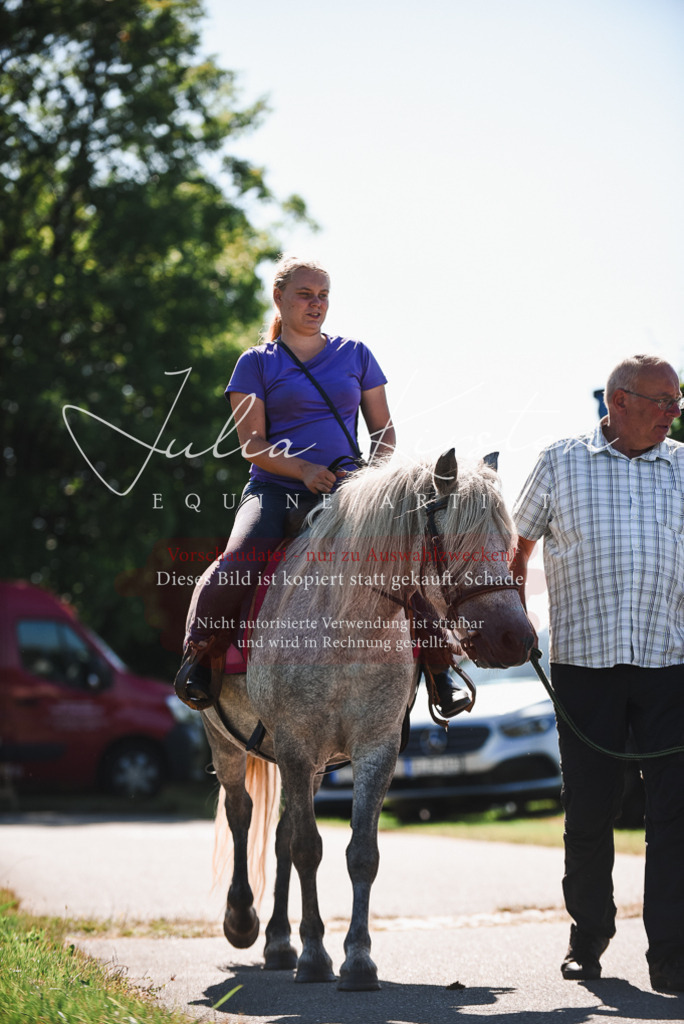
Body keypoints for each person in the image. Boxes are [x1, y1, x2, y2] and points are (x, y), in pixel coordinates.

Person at [174, 253, 470, 717]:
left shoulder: (356, 354)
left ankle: (440, 671)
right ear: (279, 298)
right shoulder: (255, 363)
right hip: (273, 489)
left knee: (400, 563)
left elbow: (384, 433)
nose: (317, 305)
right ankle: (201, 658)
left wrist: (372, 483)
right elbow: (251, 444)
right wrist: (303, 471)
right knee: (239, 558)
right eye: (305, 295)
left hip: (348, 490)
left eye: (324, 296)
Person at [511, 354, 684, 993]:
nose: (674, 412)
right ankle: (588, 940)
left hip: (672, 666)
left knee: (676, 817)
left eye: (677, 401)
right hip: (584, 666)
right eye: (663, 400)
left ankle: (671, 954)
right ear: (619, 400)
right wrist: (518, 620)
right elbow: (516, 548)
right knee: (589, 813)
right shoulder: (560, 461)